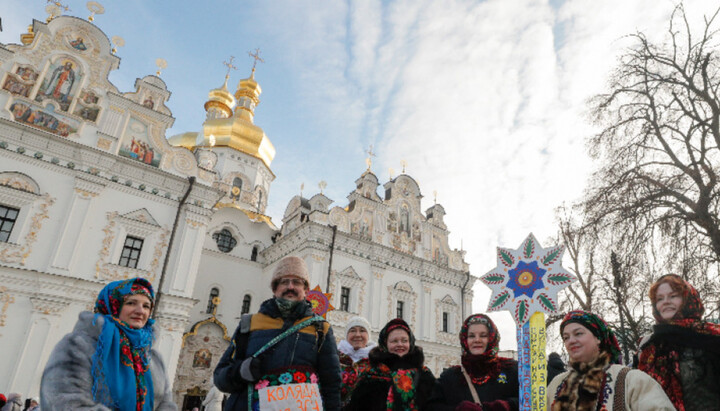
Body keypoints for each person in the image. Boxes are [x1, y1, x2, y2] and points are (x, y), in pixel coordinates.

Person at [214, 256, 341, 410]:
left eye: (297, 282)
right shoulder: (250, 323)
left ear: (306, 290)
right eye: (284, 282)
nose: (290, 287)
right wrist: (240, 372)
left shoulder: (320, 328)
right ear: (274, 289)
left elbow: (332, 384)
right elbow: (220, 377)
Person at [40, 278, 176, 410]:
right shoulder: (79, 346)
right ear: (114, 305)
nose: (140, 311)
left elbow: (165, 404)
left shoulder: (153, 358)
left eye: (146, 306)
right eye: (131, 303)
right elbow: (63, 401)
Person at [548, 310, 674, 410]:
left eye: (578, 333)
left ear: (598, 338)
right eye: (566, 337)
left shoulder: (631, 380)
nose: (571, 341)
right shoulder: (557, 384)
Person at [637, 274, 720, 411]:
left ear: (688, 299)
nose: (666, 301)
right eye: (659, 299)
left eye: (673, 296)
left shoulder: (712, 337)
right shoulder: (649, 347)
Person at [426, 314, 518, 411]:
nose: (477, 340)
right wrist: (457, 409)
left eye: (483, 335)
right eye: (471, 336)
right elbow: (431, 407)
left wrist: (508, 405)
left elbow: (531, 398)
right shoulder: (451, 377)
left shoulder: (511, 370)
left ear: (492, 338)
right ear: (464, 340)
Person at [346, 318, 435, 410]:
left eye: (404, 341)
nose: (400, 344)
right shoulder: (371, 374)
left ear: (410, 343)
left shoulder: (424, 374)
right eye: (394, 341)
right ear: (385, 344)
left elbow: (435, 404)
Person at [337, 315, 376, 405]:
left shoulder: (376, 360)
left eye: (362, 331)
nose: (357, 335)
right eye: (352, 331)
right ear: (347, 335)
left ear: (368, 335)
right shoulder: (335, 357)